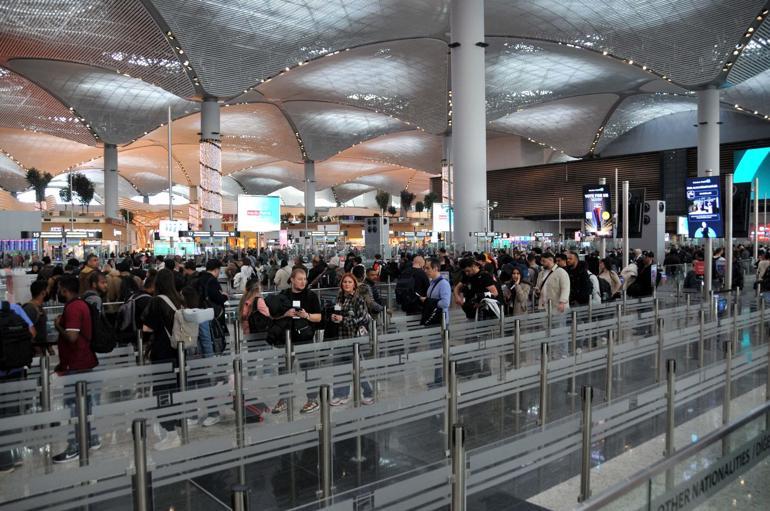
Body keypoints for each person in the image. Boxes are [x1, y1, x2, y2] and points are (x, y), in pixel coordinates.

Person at [52, 275, 99, 463]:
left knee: (74, 406)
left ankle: (75, 446)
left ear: (64, 289)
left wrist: (58, 326)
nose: (57, 292)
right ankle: (90, 439)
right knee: (84, 404)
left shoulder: (73, 308)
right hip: (81, 361)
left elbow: (71, 337)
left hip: (77, 363)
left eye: (59, 288)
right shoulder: (80, 304)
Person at [269, 268, 323, 414]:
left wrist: (306, 316)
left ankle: (312, 399)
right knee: (284, 369)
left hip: (304, 338)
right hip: (285, 339)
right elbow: (273, 316)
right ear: (292, 280)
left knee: (308, 369)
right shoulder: (283, 295)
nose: (303, 281)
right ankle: (284, 398)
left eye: (305, 279)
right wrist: (285, 314)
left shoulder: (311, 296)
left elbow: (318, 317)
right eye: (300, 279)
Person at [141, 269, 185, 450]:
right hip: (179, 351)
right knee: (176, 389)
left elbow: (146, 328)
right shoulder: (180, 300)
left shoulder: (156, 301)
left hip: (162, 351)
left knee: (161, 392)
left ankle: (171, 433)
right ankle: (177, 427)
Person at [0, 297, 35, 473]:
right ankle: (16, 455)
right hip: (16, 370)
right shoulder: (13, 308)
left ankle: (4, 462)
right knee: (13, 413)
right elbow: (32, 333)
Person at [329, 274, 374, 406]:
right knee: (339, 367)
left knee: (358, 368)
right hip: (341, 338)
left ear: (354, 284)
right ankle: (340, 394)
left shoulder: (358, 299)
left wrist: (344, 320)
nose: (346, 284)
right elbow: (338, 314)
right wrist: (334, 318)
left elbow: (363, 318)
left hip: (354, 339)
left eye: (349, 282)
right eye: (344, 282)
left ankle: (369, 392)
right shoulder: (339, 298)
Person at [196, 259, 229, 356]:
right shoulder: (212, 281)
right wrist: (225, 296)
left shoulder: (200, 278)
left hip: (200, 312)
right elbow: (218, 298)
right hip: (212, 314)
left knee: (204, 338)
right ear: (216, 270)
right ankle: (213, 359)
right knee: (213, 336)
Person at [23, 280, 49, 356]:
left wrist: (48, 347)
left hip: (40, 351)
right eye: (48, 290)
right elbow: (26, 332)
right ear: (43, 293)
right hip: (34, 354)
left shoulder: (39, 307)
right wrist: (38, 350)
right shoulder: (30, 309)